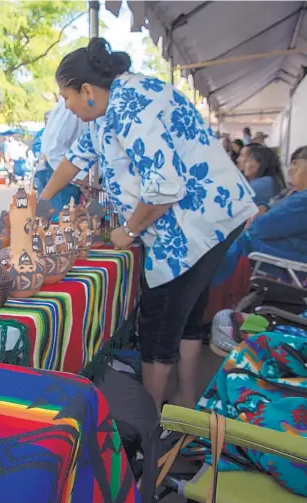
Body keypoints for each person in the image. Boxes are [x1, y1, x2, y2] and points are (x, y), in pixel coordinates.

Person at [41, 38, 258, 411]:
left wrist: (129, 230)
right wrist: (40, 201)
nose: (67, 106)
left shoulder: (129, 104)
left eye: (66, 97)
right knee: (187, 314)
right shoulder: (108, 108)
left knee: (159, 322)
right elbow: (73, 160)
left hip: (196, 222)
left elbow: (164, 188)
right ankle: (185, 403)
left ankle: (151, 424)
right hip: (205, 218)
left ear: (87, 90)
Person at [209, 146, 307, 314]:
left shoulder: (302, 200)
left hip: (276, 260)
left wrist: (262, 213)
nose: (290, 169)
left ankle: (206, 311)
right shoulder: (295, 194)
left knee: (217, 254)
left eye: (296, 164)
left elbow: (261, 227)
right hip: (272, 253)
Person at [34, 96, 87, 211]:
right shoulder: (69, 109)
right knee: (62, 222)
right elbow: (54, 151)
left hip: (64, 175)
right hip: (62, 176)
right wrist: (82, 177)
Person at [240, 143, 285, 208]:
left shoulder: (261, 184)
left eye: (248, 160)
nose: (246, 165)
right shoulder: (272, 180)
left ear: (259, 164)